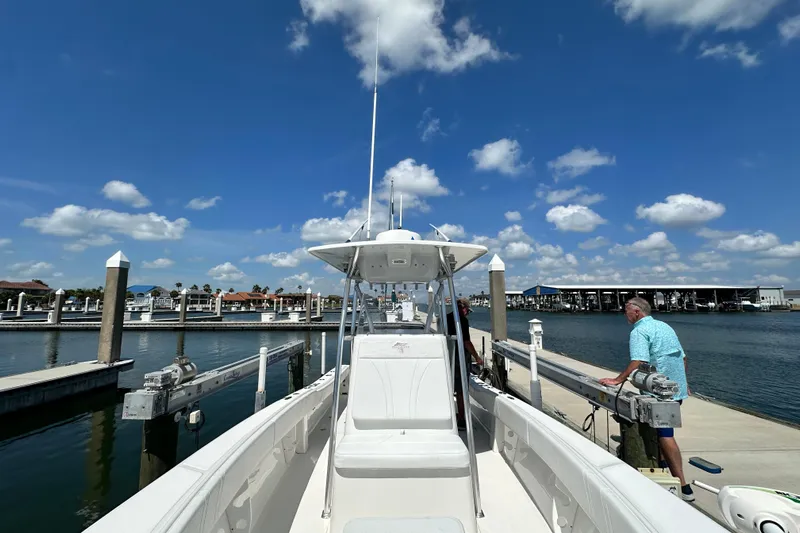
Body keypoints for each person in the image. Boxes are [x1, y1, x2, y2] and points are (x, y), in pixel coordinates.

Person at [599, 297, 695, 502]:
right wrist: (682, 381)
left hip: (658, 392)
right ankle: (662, 471)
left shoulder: (639, 331)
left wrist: (618, 380)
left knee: (664, 435)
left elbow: (639, 361)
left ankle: (683, 486)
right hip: (674, 389)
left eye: (626, 310)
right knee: (659, 434)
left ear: (637, 312)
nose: (624, 313)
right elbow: (683, 357)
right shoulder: (664, 326)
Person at [446, 297, 483, 430]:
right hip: (460, 358)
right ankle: (462, 418)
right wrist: (477, 357)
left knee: (451, 387)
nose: (468, 313)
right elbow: (466, 342)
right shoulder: (462, 320)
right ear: (463, 308)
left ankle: (451, 414)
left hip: (448, 356)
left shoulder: (446, 318)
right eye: (467, 310)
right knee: (461, 390)